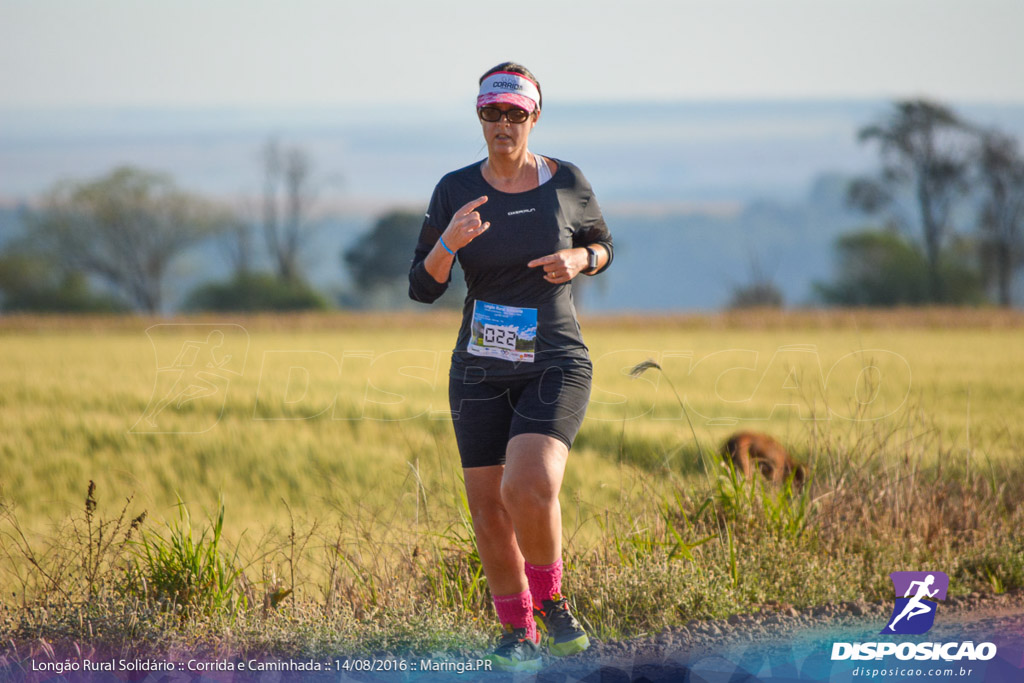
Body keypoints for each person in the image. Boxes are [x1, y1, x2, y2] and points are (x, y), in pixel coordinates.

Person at [408, 61, 613, 672]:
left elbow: (603, 244)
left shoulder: (566, 180)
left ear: (534, 117)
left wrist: (581, 257)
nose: (502, 124)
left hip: (554, 359)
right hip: (478, 367)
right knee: (488, 508)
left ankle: (551, 602)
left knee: (528, 483)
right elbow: (422, 286)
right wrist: (450, 242)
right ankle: (515, 633)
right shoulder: (454, 188)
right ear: (479, 116)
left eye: (514, 114)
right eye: (491, 113)